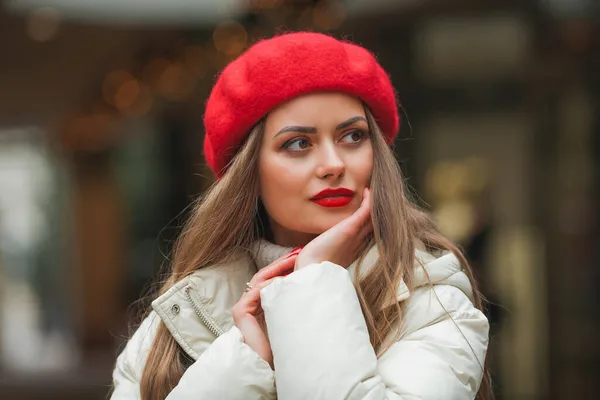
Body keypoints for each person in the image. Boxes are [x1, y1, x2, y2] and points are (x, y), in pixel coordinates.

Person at [110, 32, 491, 400]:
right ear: (249, 173)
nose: (332, 164)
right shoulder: (181, 317)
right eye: (298, 143)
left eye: (353, 136)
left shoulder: (433, 305)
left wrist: (311, 281)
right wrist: (247, 360)